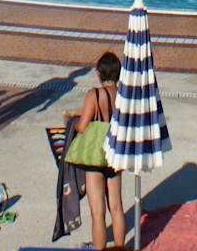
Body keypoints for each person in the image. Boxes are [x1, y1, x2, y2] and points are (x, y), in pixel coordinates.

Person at [64, 52, 127, 251]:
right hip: (115, 154)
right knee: (116, 207)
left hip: (95, 157)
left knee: (98, 213)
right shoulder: (124, 95)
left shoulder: (94, 94)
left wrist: (70, 123)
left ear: (99, 73)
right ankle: (120, 247)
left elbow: (83, 126)